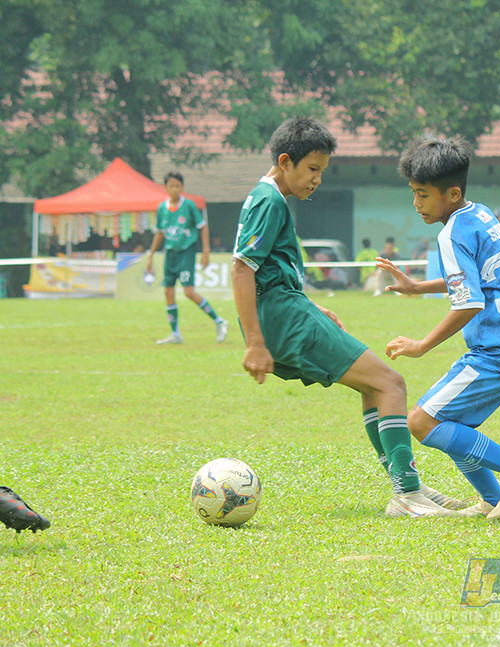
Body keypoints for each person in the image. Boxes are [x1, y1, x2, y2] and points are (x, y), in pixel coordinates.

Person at [230, 117, 462, 518]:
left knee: (373, 387)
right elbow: (241, 269)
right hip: (283, 317)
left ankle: (407, 485)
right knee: (391, 382)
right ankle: (406, 494)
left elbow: (267, 269)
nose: (317, 179)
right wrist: (255, 341)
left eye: (322, 170)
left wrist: (309, 306)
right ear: (285, 161)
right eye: (312, 170)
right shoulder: (270, 200)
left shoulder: (265, 196)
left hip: (289, 310)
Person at [377, 133, 500, 521]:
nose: (416, 203)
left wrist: (422, 344)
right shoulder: (481, 215)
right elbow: (481, 277)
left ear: (452, 193)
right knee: (452, 422)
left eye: (423, 194)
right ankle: (491, 497)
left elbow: (469, 301)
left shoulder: (451, 232)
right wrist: (419, 286)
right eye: (413, 192)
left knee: (421, 421)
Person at [146, 171, 228, 345]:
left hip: (186, 252)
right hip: (170, 254)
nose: (174, 189)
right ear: (166, 188)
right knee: (168, 291)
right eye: (171, 186)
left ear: (182, 187)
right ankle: (175, 333)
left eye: (177, 186)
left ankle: (219, 321)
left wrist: (206, 251)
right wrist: (150, 255)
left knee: (189, 291)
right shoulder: (162, 208)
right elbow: (160, 232)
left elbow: (203, 227)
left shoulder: (189, 206)